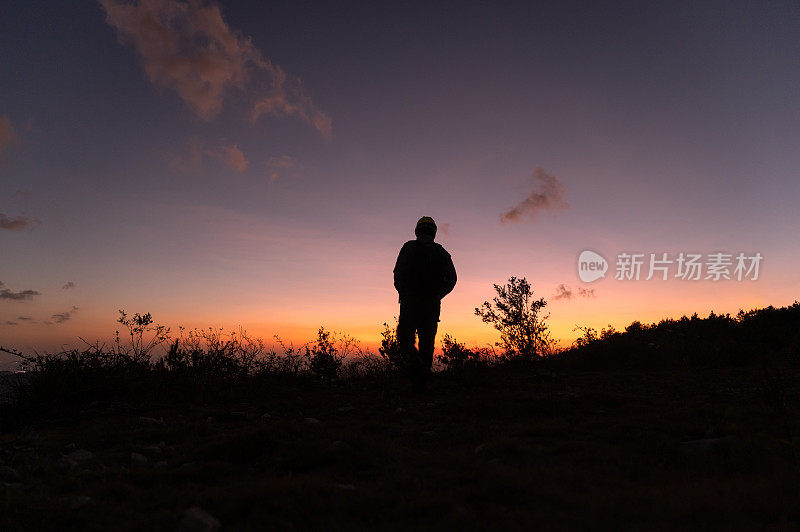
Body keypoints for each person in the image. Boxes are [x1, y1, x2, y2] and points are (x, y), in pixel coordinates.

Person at [393, 216, 457, 390]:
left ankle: (419, 376)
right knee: (427, 342)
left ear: (417, 231)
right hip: (431, 305)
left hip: (410, 303)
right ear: (434, 232)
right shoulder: (441, 252)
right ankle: (422, 382)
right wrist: (438, 295)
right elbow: (452, 279)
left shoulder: (409, 247)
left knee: (405, 339)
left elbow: (397, 274)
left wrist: (404, 294)